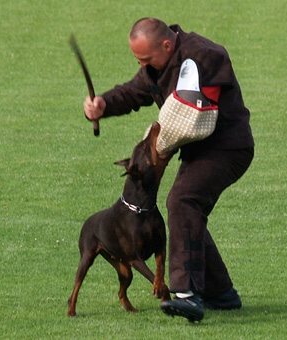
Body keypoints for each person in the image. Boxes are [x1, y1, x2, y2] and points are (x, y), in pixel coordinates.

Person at [83, 17, 254, 322]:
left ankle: (187, 295)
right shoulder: (156, 67)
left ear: (166, 44)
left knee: (182, 200)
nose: (141, 64)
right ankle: (221, 293)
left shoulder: (204, 55)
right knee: (188, 211)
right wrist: (103, 105)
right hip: (198, 151)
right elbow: (134, 92)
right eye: (137, 59)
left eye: (145, 58)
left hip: (228, 147)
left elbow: (194, 108)